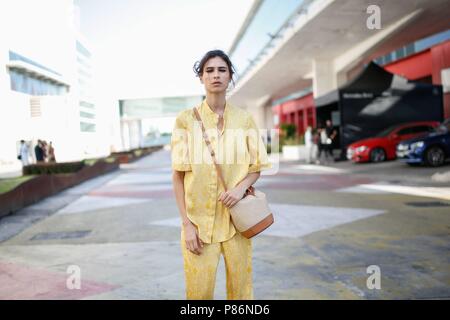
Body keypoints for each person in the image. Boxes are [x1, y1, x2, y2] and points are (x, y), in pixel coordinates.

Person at [171, 50, 271, 300]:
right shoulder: (185, 120)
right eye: (210, 70)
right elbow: (178, 177)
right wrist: (187, 225)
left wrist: (239, 189)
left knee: (241, 291)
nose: (216, 75)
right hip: (198, 226)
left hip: (237, 222)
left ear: (230, 77)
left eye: (222, 70)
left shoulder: (245, 120)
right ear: (201, 78)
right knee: (199, 293)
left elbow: (256, 166)